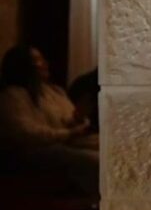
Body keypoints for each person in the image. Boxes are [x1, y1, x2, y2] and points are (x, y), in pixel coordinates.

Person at [0, 44, 98, 195]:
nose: (45, 64)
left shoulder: (55, 91)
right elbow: (26, 133)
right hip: (35, 151)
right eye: (38, 60)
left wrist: (78, 118)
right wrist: (68, 133)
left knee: (111, 146)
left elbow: (65, 121)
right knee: (94, 160)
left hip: (65, 141)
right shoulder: (13, 95)